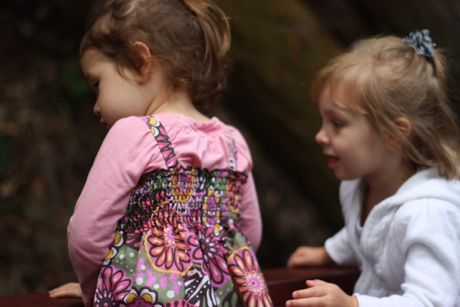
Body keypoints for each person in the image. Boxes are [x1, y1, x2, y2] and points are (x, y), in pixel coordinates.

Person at [49, 0, 273, 306]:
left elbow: (87, 236)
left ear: (142, 61)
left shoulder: (134, 133)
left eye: (98, 83)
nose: (96, 106)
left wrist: (96, 290)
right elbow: (249, 235)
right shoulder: (233, 142)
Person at [286, 30, 460, 307]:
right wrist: (330, 252)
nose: (320, 136)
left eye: (337, 123)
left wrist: (352, 304)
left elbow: (432, 302)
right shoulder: (360, 185)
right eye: (323, 121)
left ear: (393, 133)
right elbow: (371, 233)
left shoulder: (428, 213)